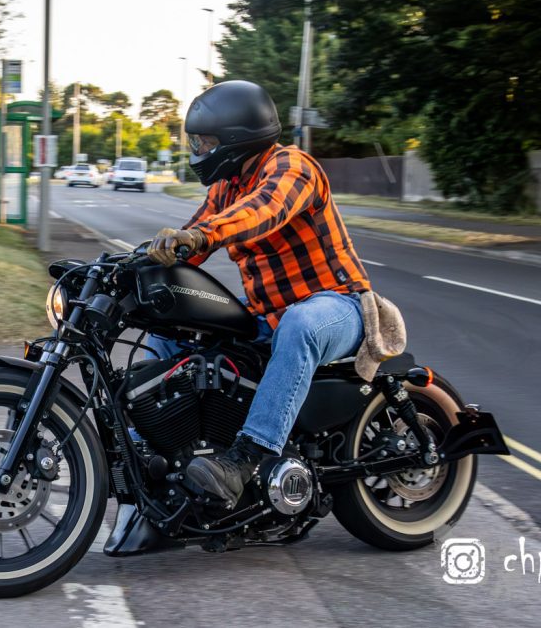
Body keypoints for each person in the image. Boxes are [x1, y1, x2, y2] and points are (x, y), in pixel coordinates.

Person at [146, 80, 372, 508]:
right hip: (268, 313)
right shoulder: (226, 187)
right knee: (172, 327)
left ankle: (246, 460)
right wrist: (134, 266)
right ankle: (154, 444)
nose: (198, 150)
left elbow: (261, 212)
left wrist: (198, 236)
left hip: (338, 305)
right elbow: (186, 244)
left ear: (235, 139)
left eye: (205, 141)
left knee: (300, 324)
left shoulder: (293, 167)